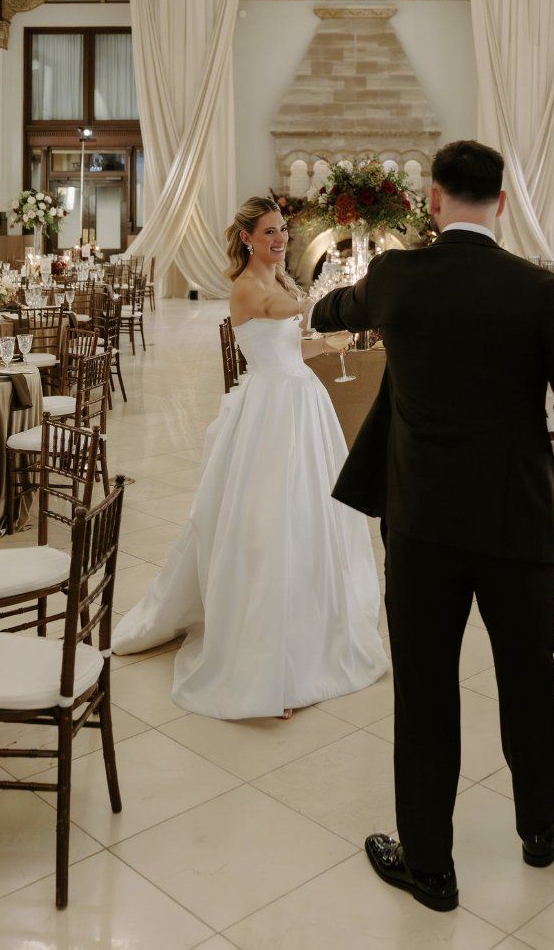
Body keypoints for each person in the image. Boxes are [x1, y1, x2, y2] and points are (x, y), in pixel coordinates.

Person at [311, 140, 554, 912]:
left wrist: (345, 302)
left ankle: (430, 865)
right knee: (528, 677)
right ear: (501, 203)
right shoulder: (539, 289)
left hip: (423, 521)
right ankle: (541, 824)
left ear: (434, 202)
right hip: (518, 519)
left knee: (427, 688)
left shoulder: (399, 278)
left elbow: (332, 310)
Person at [111, 197, 388, 719]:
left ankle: (306, 631)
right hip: (269, 412)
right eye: (268, 233)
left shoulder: (281, 283)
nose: (279, 239)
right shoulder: (248, 289)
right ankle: (267, 665)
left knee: (308, 516)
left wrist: (327, 346)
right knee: (267, 523)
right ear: (247, 239)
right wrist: (330, 298)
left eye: (283, 231)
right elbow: (275, 316)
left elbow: (289, 344)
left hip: (302, 401)